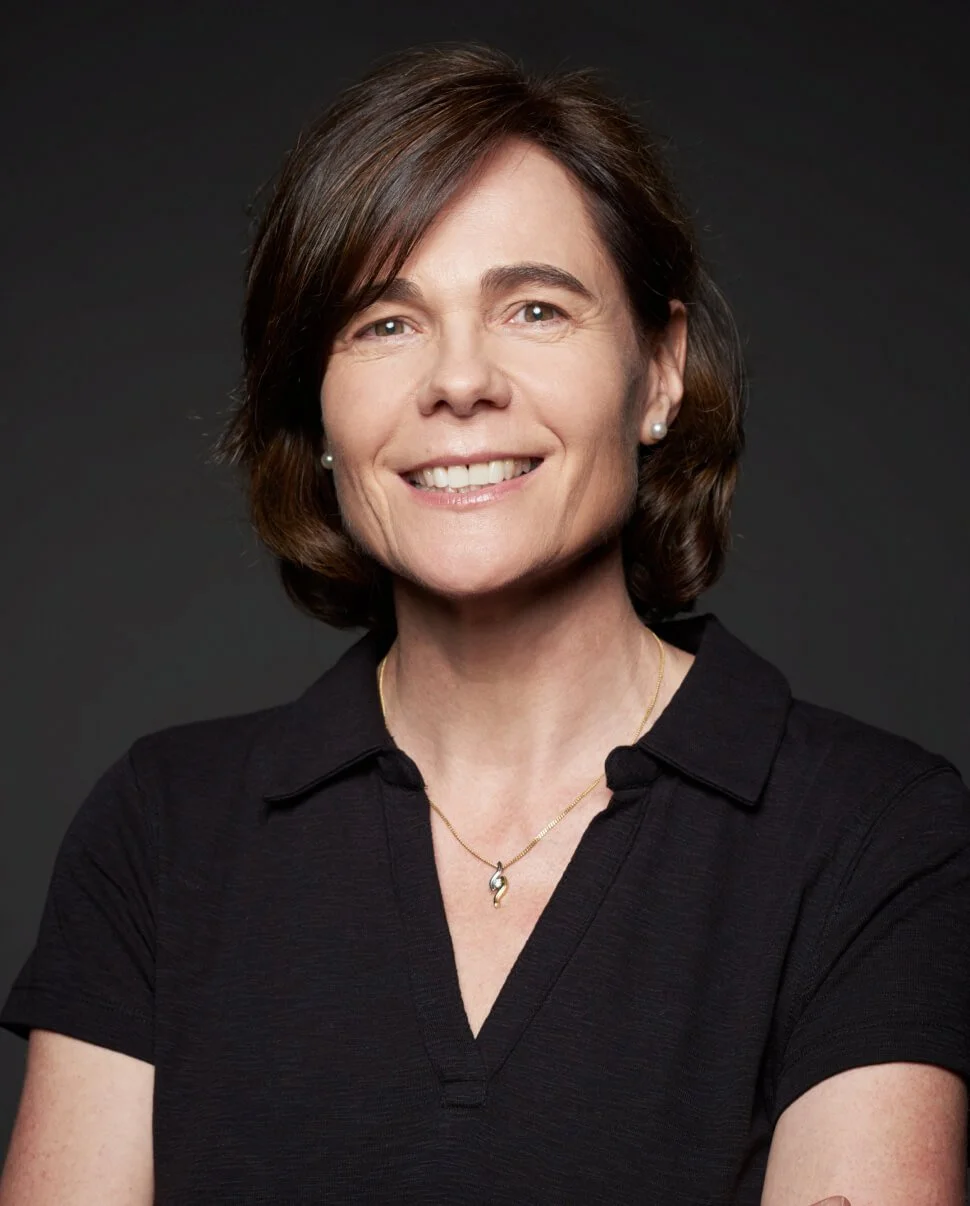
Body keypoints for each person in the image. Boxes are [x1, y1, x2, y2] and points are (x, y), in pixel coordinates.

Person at [0, 41, 968, 1206]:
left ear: (660, 371)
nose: (459, 382)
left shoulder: (874, 833)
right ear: (317, 403)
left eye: (535, 308)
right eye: (383, 323)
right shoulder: (162, 831)